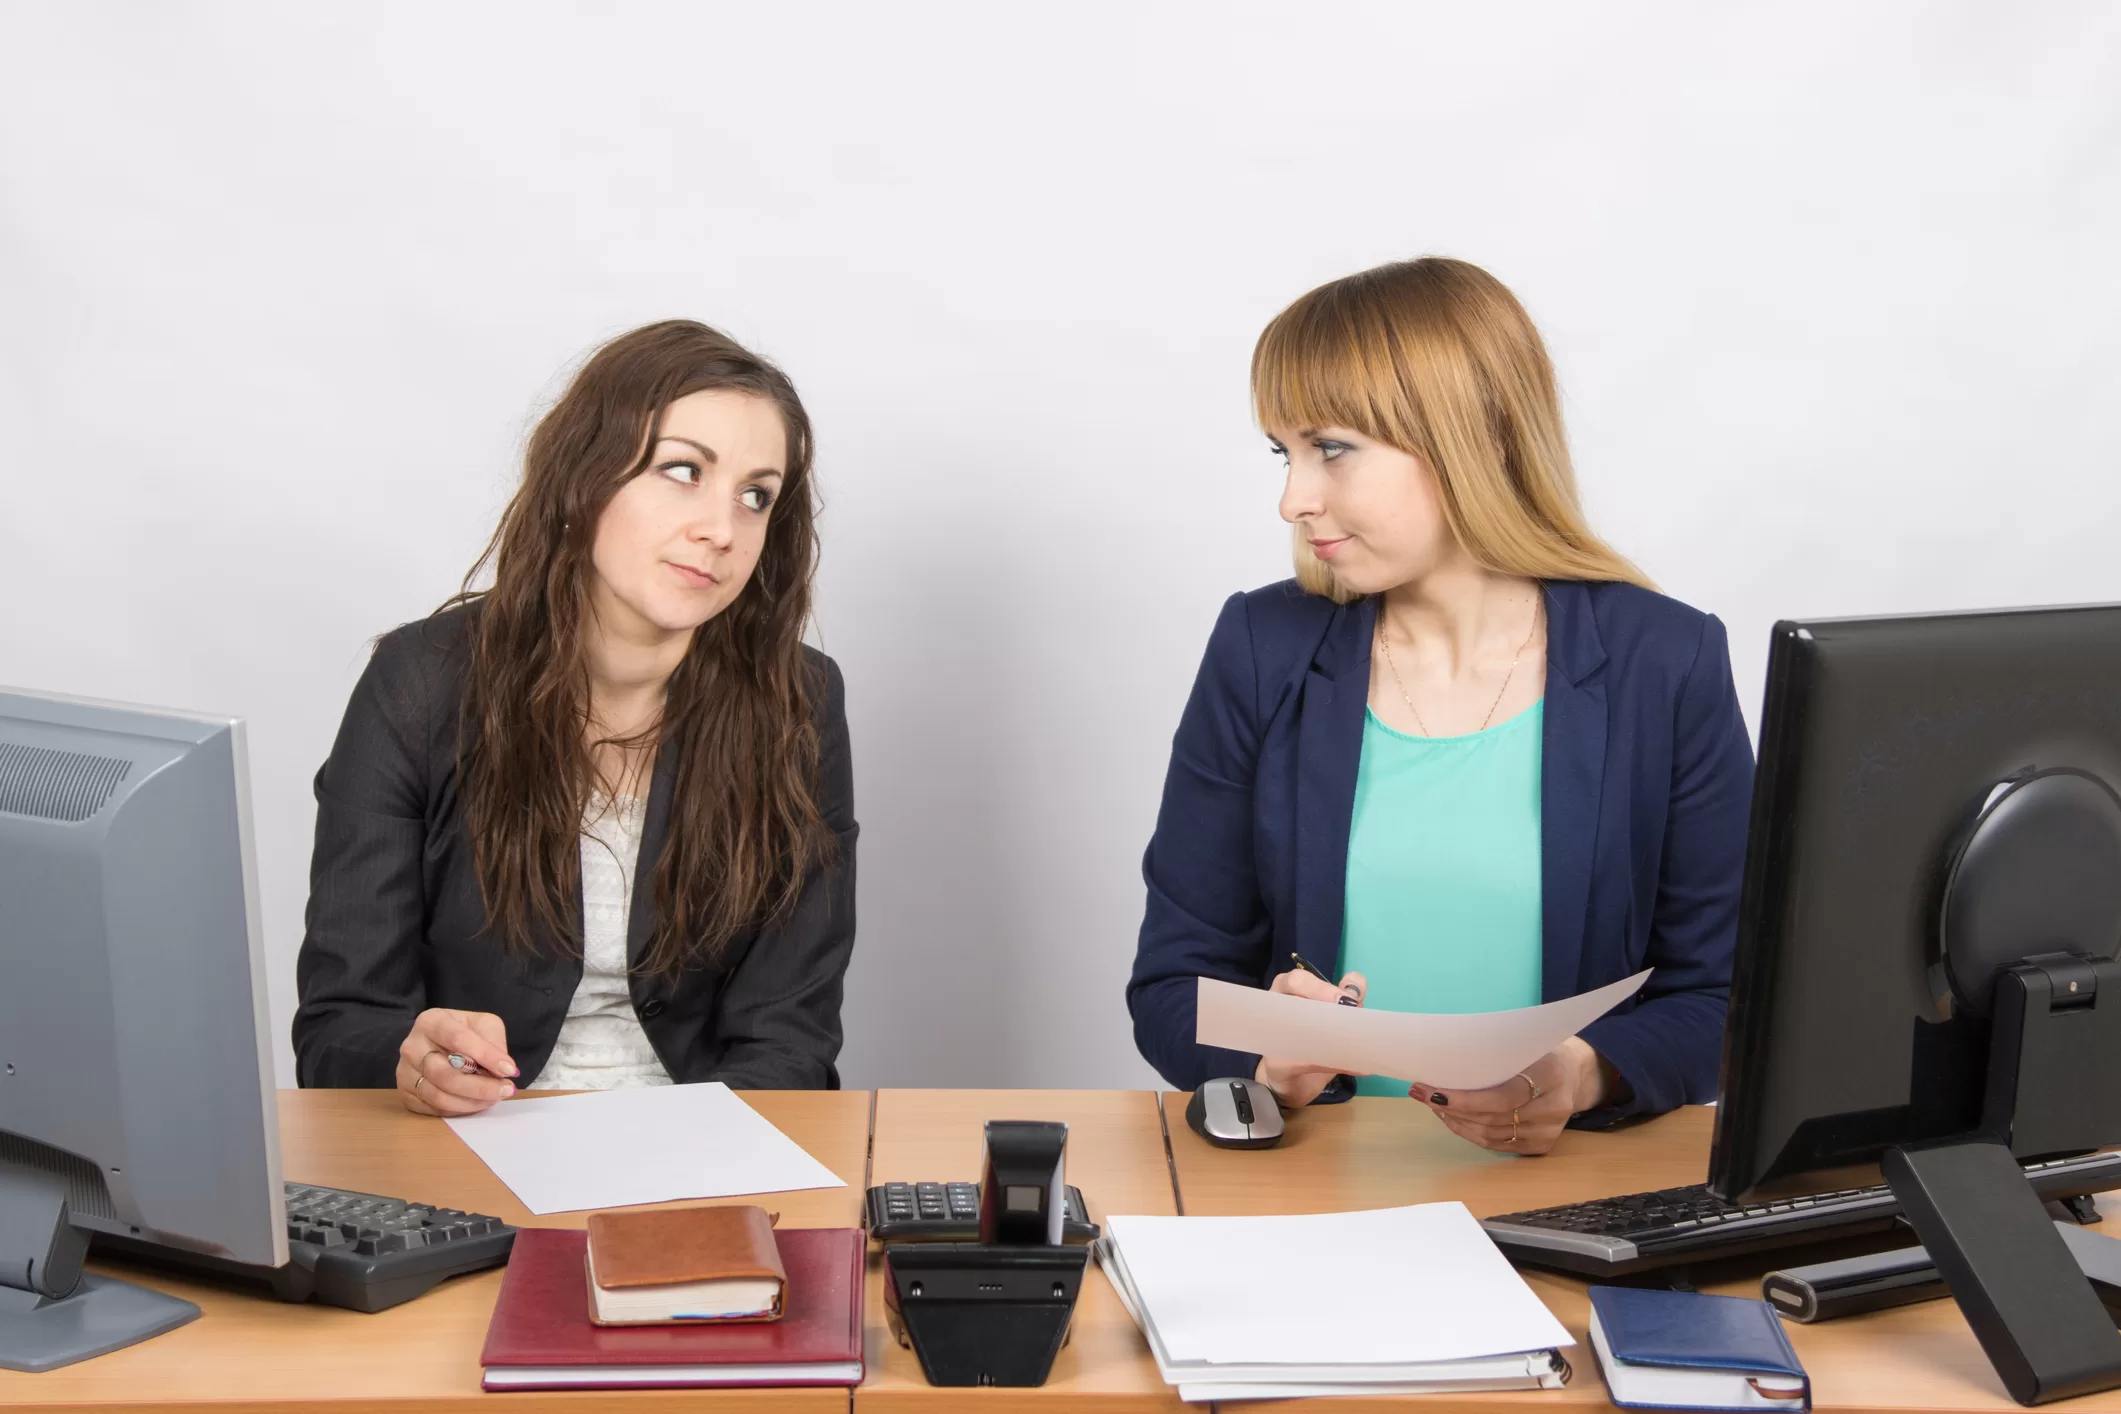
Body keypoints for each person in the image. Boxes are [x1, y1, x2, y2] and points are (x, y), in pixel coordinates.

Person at [1127, 258, 1754, 1154]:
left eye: (1331, 448)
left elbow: (1725, 995)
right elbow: (1172, 985)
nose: (1292, 499)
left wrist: (1576, 1072)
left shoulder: (1664, 660)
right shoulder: (1261, 647)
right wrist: (1266, 1056)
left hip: (1564, 1193)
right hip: (1311, 1194)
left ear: (1473, 435)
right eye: (1285, 453)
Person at [293, 320, 856, 1114]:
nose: (721, 529)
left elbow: (790, 1040)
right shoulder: (419, 683)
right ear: (584, 477)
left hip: (701, 1152)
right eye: (682, 470)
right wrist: (414, 1059)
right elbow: (339, 1025)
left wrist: (690, 1171)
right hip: (473, 1151)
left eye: (755, 495)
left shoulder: (800, 703)